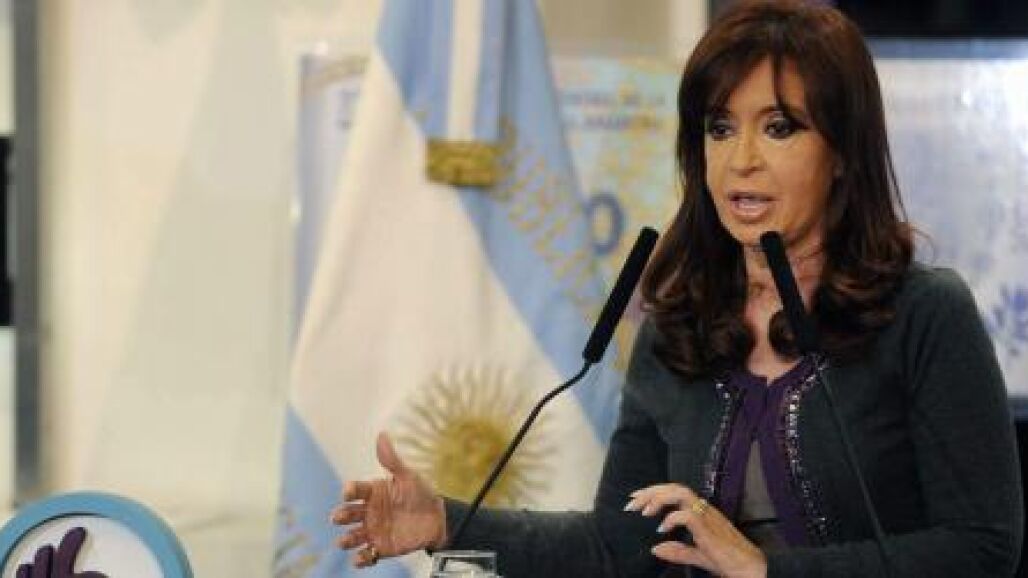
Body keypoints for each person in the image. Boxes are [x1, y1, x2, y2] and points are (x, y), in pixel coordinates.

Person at [329, 1, 1024, 576]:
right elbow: (618, 547)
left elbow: (984, 546)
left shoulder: (923, 315)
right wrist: (449, 521)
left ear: (842, 151)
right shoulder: (680, 327)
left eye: (779, 127)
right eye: (719, 127)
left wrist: (765, 571)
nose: (741, 159)